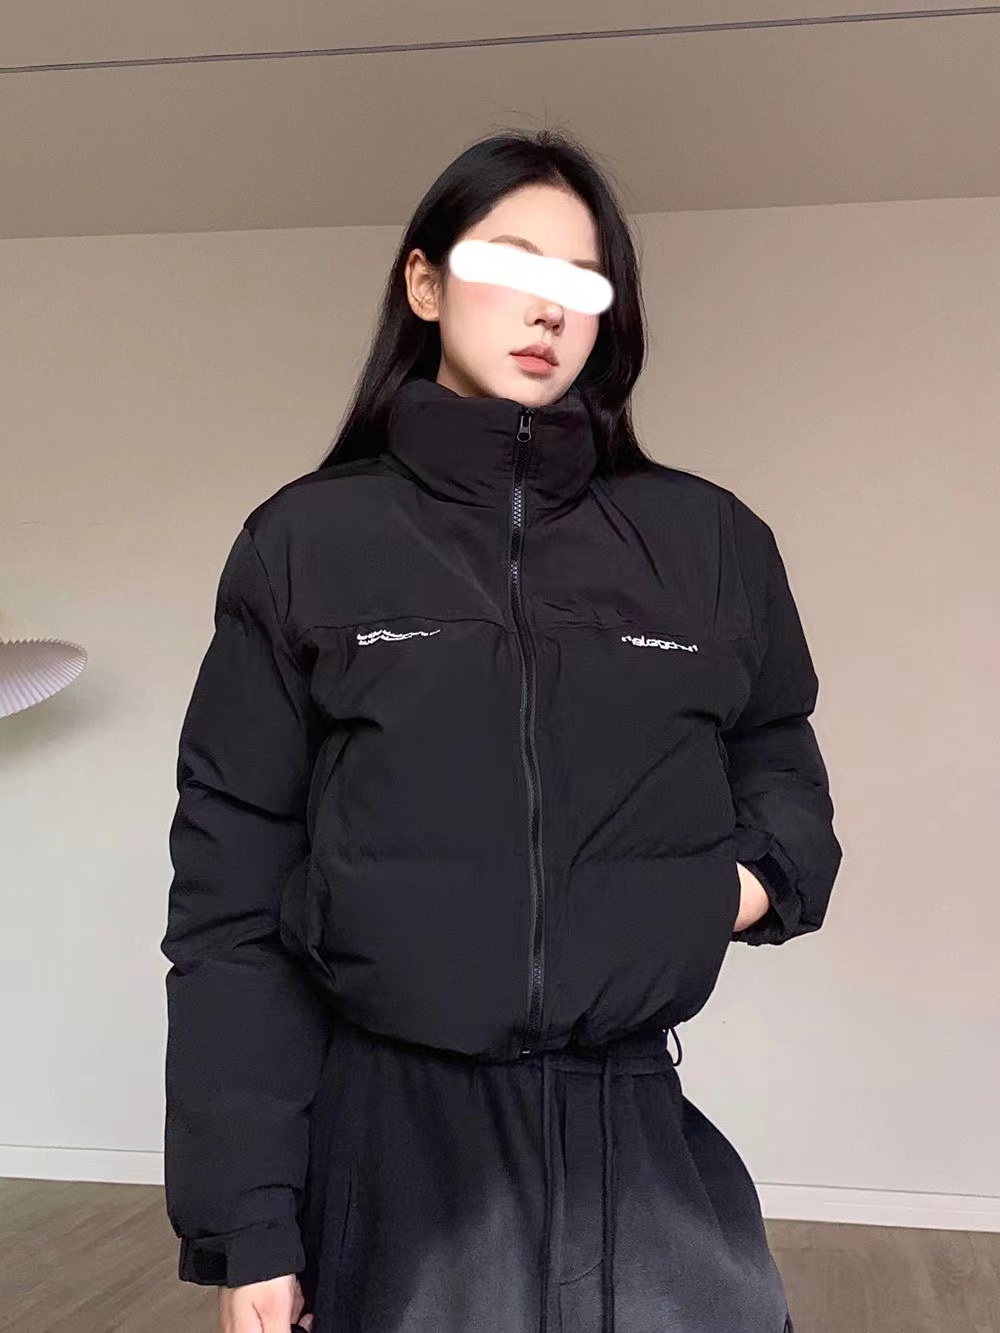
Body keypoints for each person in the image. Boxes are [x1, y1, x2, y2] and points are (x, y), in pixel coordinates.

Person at [160, 128, 841, 1333]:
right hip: (398, 1150)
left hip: (637, 1131)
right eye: (511, 261)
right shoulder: (305, 544)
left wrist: (723, 892)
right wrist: (250, 1222)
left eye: (583, 279)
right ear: (423, 283)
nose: (549, 307)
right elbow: (232, 905)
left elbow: (782, 772)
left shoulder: (710, 543)